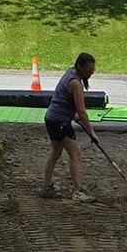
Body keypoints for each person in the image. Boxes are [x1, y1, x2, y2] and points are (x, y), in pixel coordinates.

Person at [43, 52, 99, 200]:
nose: (91, 73)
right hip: (59, 122)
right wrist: (91, 132)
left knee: (56, 153)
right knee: (76, 154)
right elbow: (81, 111)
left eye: (93, 70)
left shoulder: (70, 73)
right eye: (89, 70)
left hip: (52, 118)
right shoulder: (75, 83)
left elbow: (62, 100)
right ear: (80, 67)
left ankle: (45, 187)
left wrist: (72, 116)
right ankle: (77, 192)